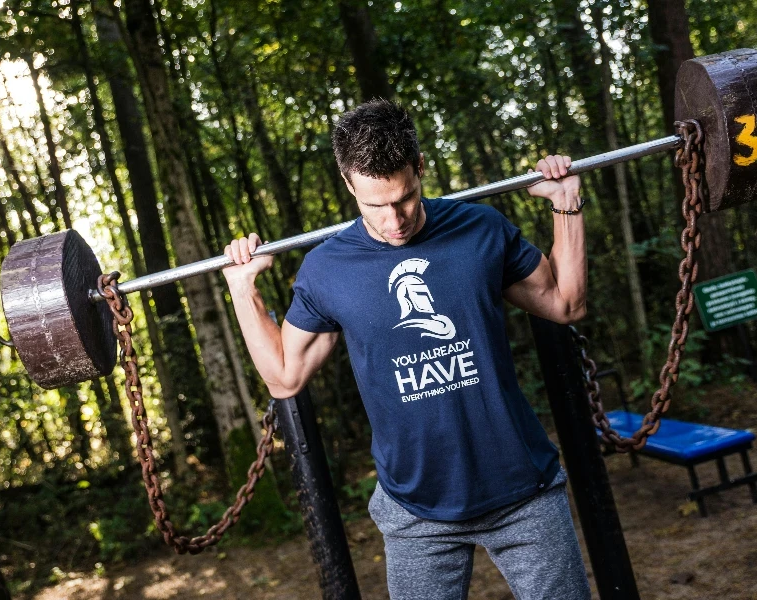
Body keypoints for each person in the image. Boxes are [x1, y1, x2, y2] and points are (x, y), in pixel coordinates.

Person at [223, 99, 590, 600]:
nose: (394, 220)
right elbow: (284, 376)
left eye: (406, 199)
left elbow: (565, 303)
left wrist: (566, 202)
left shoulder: (479, 229)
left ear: (419, 168)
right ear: (349, 184)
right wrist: (244, 292)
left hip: (522, 492)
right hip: (415, 510)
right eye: (376, 205)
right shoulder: (327, 269)